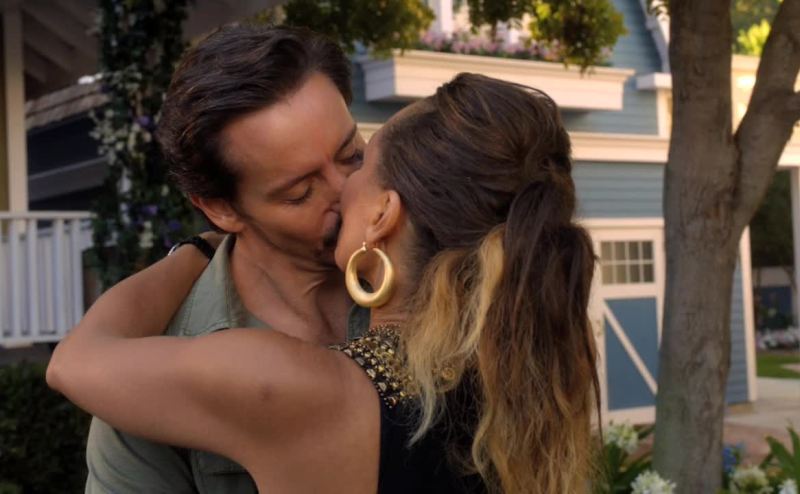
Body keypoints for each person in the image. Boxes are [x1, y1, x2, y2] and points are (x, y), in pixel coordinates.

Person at [49, 73, 602, 493]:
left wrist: (192, 252)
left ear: (383, 215)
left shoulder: (301, 389)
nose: (339, 192)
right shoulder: (533, 366)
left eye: (355, 160)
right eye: (299, 190)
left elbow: (74, 362)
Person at [83, 24, 369, 494]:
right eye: (301, 192)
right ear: (221, 209)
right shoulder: (147, 379)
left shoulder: (436, 271)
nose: (350, 193)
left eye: (351, 155)